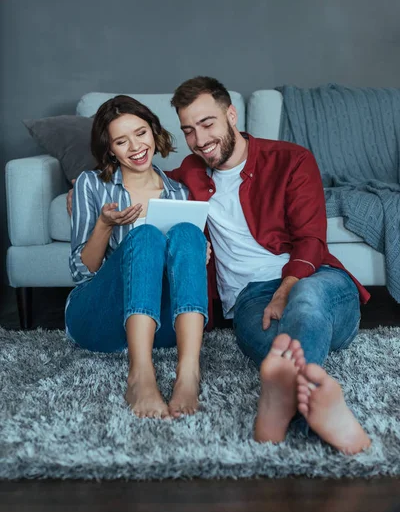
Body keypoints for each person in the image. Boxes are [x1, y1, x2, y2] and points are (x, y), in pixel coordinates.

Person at [67, 78, 371, 454]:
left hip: (310, 279)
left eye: (208, 124)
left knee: (306, 301)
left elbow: (312, 239)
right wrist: (90, 208)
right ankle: (313, 402)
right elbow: (138, 200)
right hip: (242, 301)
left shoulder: (285, 161)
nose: (200, 139)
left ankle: (278, 398)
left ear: (231, 115)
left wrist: (283, 287)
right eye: (189, 131)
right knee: (272, 343)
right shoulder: (181, 176)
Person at [65, 95, 210, 420]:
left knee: (190, 234)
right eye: (121, 141)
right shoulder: (93, 185)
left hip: (162, 327)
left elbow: (186, 273)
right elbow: (81, 272)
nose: (135, 147)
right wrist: (104, 225)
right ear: (110, 149)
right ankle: (140, 375)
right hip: (98, 319)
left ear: (154, 133)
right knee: (144, 235)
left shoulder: (180, 193)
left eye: (141, 133)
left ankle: (189, 373)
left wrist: (197, 254)